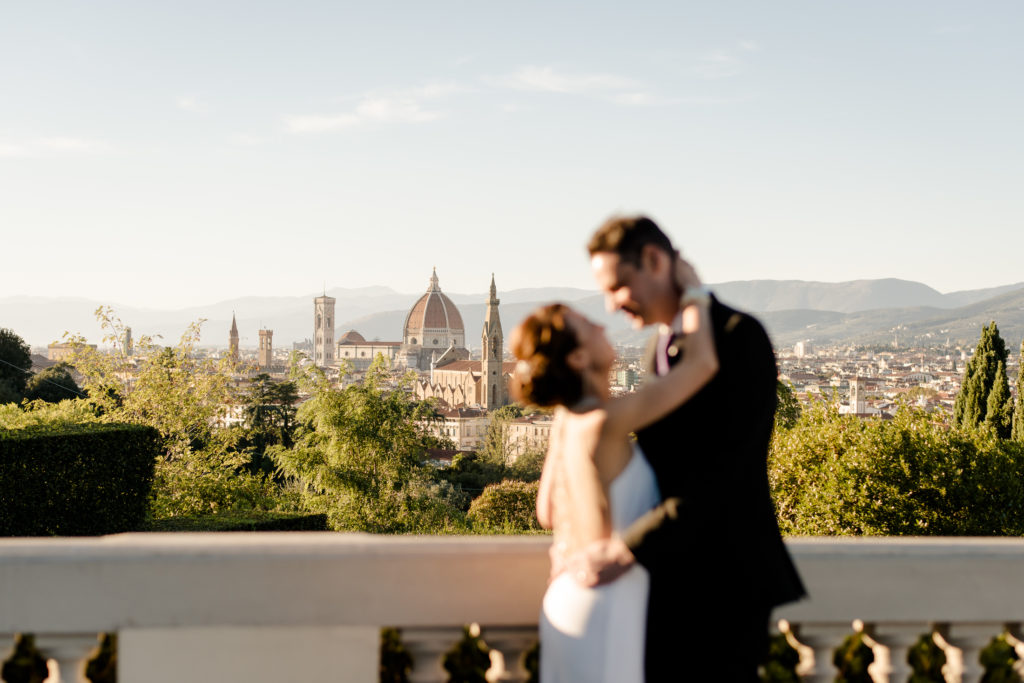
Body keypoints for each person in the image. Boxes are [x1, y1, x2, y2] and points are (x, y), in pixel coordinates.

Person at [570, 214, 806, 682]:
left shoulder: (739, 336)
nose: (611, 305)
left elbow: (726, 473)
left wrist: (625, 550)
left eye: (617, 286)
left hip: (722, 587)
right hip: (665, 584)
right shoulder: (656, 350)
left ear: (655, 261)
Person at [509, 260, 717, 683]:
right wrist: (694, 296)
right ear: (580, 357)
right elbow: (702, 366)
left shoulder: (566, 421)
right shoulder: (606, 422)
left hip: (566, 600)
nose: (605, 327)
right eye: (591, 326)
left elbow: (547, 511)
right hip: (608, 605)